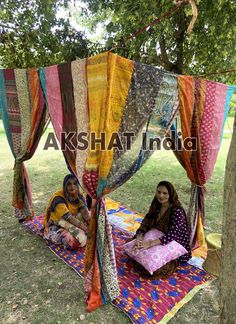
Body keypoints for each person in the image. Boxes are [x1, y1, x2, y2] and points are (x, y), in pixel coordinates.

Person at [132, 181, 191, 278]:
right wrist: (139, 237)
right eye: (159, 192)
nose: (161, 196)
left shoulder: (177, 211)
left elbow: (173, 235)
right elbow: (146, 222)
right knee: (136, 247)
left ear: (170, 194)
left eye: (165, 193)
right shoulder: (157, 205)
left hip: (174, 242)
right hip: (158, 236)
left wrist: (150, 243)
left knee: (157, 270)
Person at [43, 174, 91, 250]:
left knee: (93, 217)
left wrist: (90, 223)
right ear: (64, 186)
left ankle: (80, 231)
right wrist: (86, 229)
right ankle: (49, 234)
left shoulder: (78, 195)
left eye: (74, 184)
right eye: (69, 184)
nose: (72, 186)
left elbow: (84, 211)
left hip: (72, 219)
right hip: (58, 223)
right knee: (76, 241)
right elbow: (69, 218)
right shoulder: (58, 199)